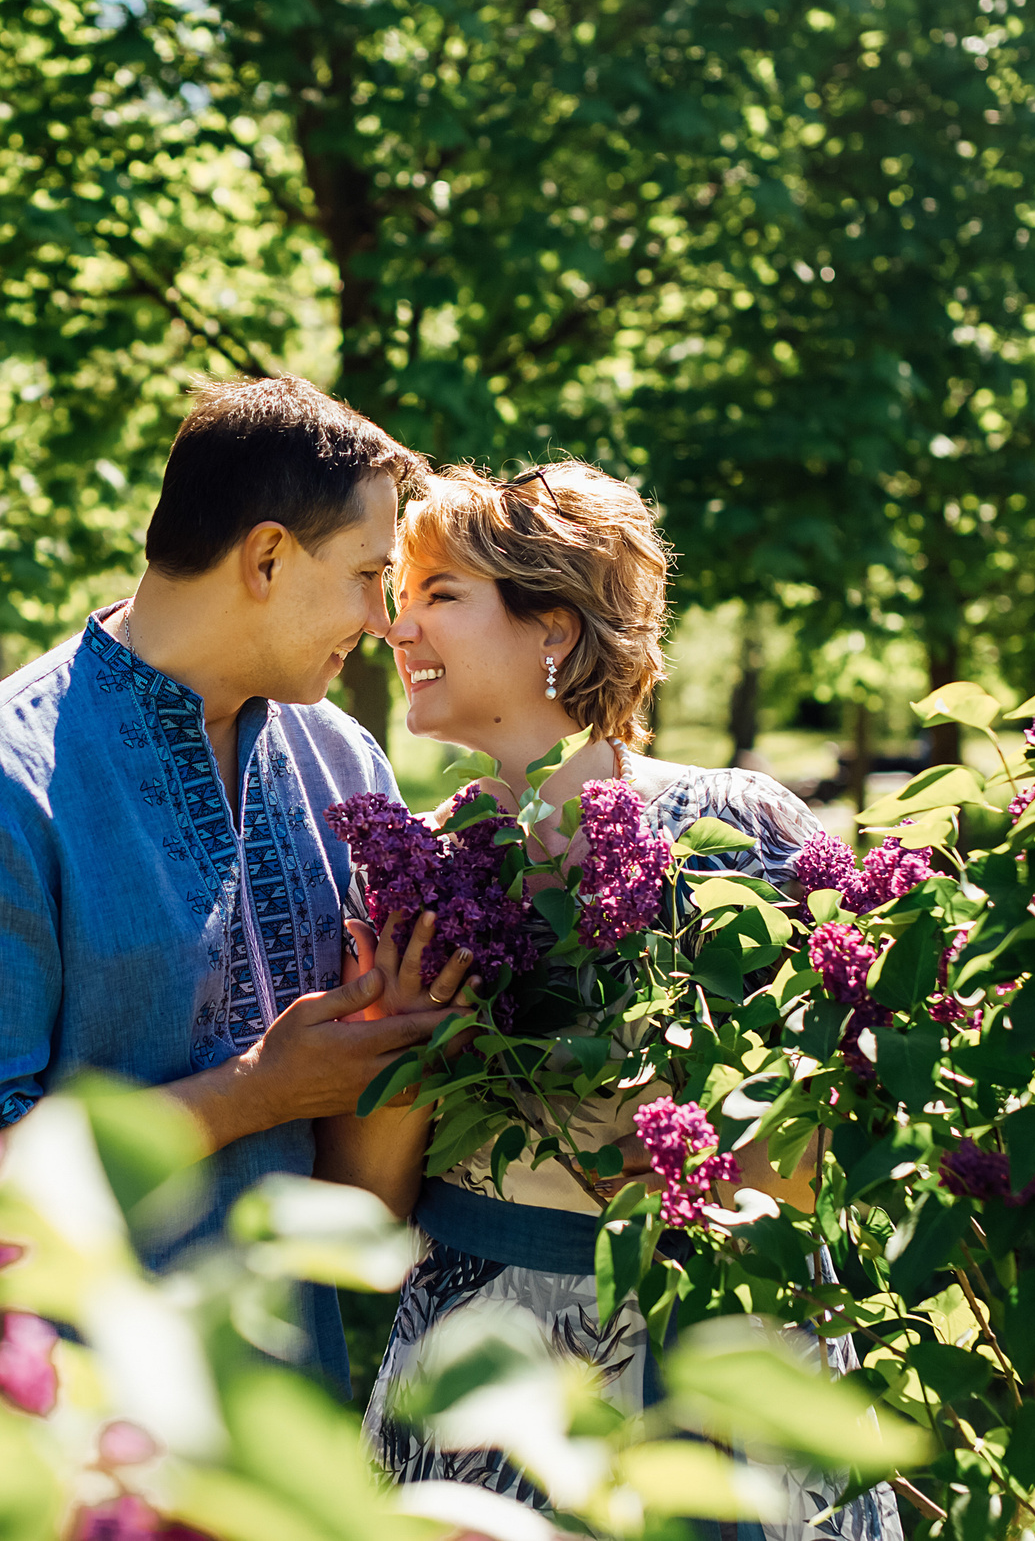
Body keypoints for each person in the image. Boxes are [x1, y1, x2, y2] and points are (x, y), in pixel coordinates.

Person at [321, 461, 903, 1541]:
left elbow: (825, 1148)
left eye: (439, 595)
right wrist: (409, 1040)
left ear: (556, 628)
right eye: (398, 598)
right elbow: (367, 1207)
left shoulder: (742, 831)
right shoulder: (423, 872)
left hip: (723, 1345)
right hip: (484, 1368)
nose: (397, 631)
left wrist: (697, 1142)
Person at [0, 376, 455, 1393]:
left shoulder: (345, 767)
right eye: (367, 575)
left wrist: (403, 1044)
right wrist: (258, 1091)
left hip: (287, 1409)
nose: (383, 617)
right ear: (266, 557)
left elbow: (365, 1198)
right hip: (70, 1429)